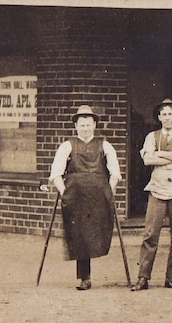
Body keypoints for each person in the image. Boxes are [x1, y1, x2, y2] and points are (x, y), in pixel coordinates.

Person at [48, 104, 121, 290]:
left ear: (94, 125)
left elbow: (115, 173)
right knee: (78, 233)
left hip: (99, 197)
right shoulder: (67, 146)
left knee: (97, 232)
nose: (85, 128)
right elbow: (56, 173)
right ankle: (84, 277)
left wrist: (108, 191)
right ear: (76, 126)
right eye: (82, 124)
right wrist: (66, 192)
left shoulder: (104, 145)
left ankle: (88, 275)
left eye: (88, 124)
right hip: (76, 197)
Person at [130, 98, 172, 291]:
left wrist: (160, 155)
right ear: (159, 117)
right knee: (150, 234)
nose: (167, 118)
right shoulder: (152, 136)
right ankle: (143, 277)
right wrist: (169, 157)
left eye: (170, 114)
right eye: (163, 114)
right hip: (157, 189)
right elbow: (147, 160)